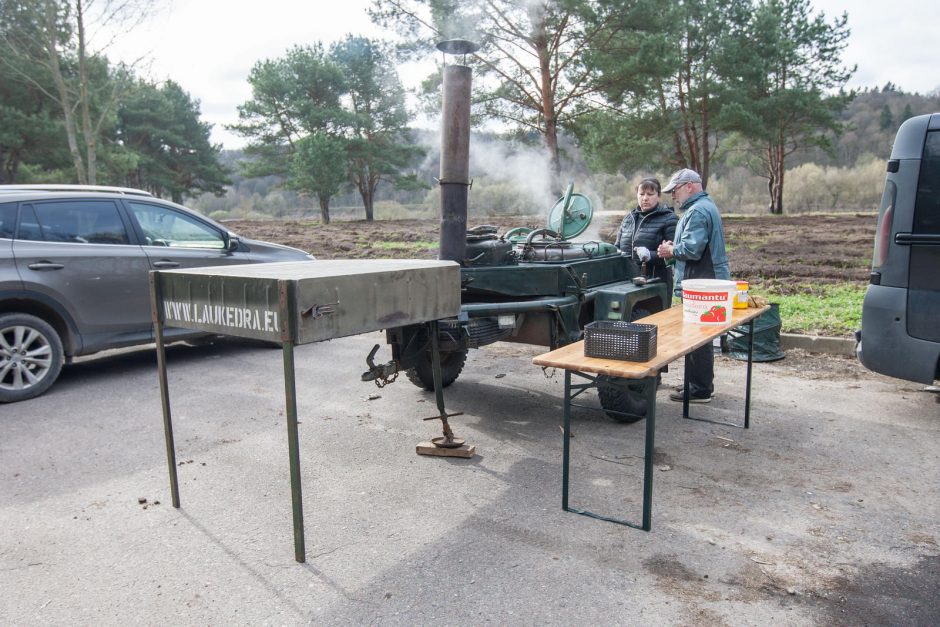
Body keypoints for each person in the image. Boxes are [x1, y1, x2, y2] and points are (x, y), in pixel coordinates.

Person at [657, 168, 730, 404]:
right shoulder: (704, 206)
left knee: (697, 337)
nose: (673, 197)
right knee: (699, 337)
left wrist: (670, 250)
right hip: (706, 281)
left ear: (689, 186)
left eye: (675, 191)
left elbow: (691, 249)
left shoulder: (697, 211)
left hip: (702, 284)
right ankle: (698, 383)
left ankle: (699, 389)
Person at [614, 177, 678, 299]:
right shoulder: (629, 218)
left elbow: (676, 254)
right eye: (641, 194)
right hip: (626, 284)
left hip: (655, 284)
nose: (645, 198)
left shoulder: (669, 219)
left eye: (650, 194)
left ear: (658, 196)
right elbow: (617, 246)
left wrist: (650, 255)